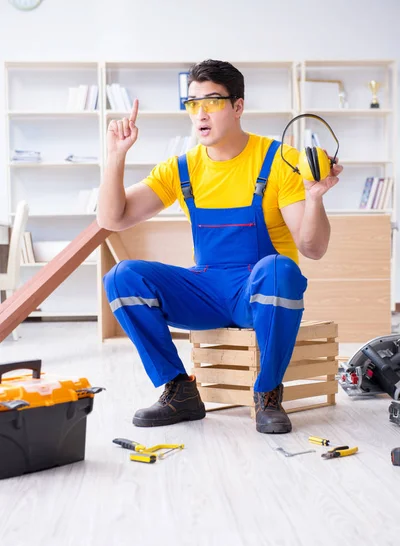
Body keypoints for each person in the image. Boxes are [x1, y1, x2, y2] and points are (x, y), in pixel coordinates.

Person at [98, 59, 342, 435]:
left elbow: (313, 248)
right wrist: (116, 157)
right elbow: (112, 219)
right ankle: (179, 390)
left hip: (258, 291)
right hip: (207, 290)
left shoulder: (280, 160)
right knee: (122, 277)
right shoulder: (181, 168)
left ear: (238, 106)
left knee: (280, 268)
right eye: (193, 103)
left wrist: (314, 198)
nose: (200, 113)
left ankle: (267, 394)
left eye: (211, 101)